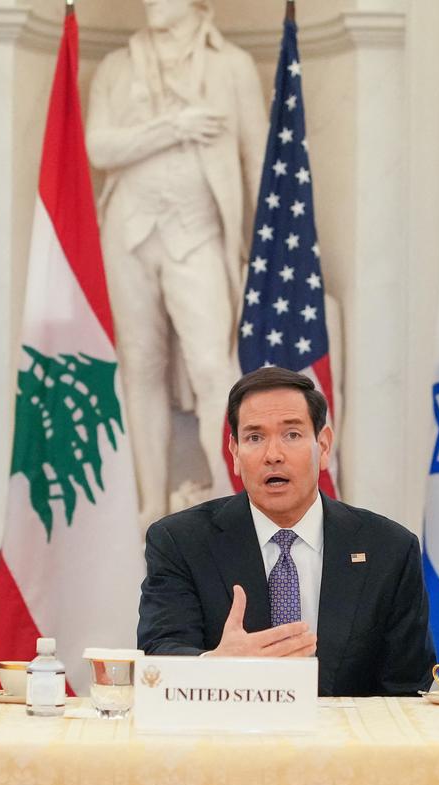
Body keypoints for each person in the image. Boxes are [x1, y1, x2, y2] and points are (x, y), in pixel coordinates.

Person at [137, 367, 434, 696]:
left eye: (291, 434)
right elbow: (160, 655)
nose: (273, 455)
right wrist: (216, 665)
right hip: (227, 742)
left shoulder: (388, 549)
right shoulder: (180, 542)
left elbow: (408, 690)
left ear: (323, 446)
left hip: (346, 744)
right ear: (235, 453)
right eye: (254, 437)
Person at [87, 0, 267, 528]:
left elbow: (256, 158)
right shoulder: (118, 67)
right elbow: (99, 147)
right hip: (128, 232)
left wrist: (262, 249)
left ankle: (227, 496)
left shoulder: (231, 66)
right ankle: (148, 506)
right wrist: (175, 126)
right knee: (139, 363)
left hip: (200, 232)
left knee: (215, 368)